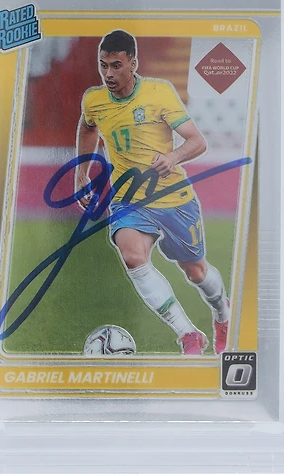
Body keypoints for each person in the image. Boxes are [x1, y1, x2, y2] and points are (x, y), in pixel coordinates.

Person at [75, 30, 230, 355]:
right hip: (129, 198)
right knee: (133, 256)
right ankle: (187, 334)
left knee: (196, 272)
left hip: (173, 198)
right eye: (103, 65)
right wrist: (81, 172)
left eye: (116, 65)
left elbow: (197, 141)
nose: (108, 74)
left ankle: (222, 315)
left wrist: (172, 157)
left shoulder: (159, 92)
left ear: (133, 63)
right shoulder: (94, 100)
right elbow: (88, 126)